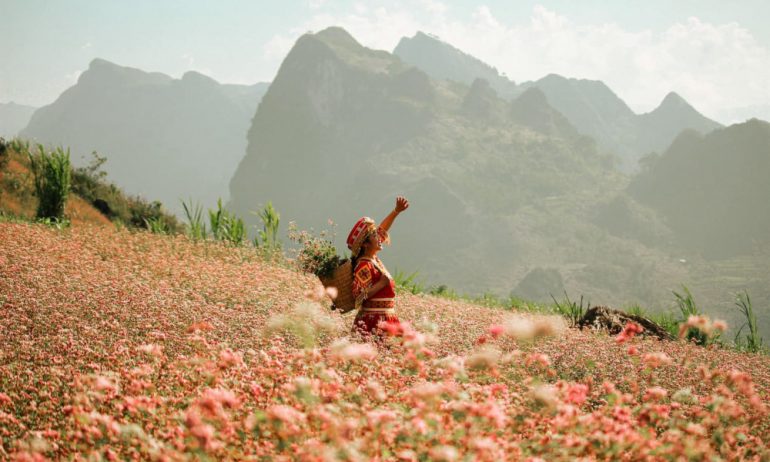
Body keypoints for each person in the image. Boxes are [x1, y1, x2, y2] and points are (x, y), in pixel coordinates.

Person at [346, 196, 409, 339]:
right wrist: (381, 284)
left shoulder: (373, 260)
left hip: (386, 319)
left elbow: (382, 229)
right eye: (375, 236)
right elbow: (358, 297)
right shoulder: (364, 265)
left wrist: (396, 211)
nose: (379, 238)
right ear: (366, 244)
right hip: (373, 323)